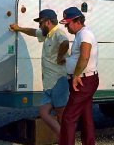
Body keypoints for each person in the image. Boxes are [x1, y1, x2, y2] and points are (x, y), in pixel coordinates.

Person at [48, 7, 99, 145]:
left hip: (83, 80)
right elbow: (79, 56)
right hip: (86, 79)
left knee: (69, 117)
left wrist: (76, 75)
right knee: (86, 117)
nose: (66, 27)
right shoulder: (81, 34)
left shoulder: (85, 34)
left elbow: (84, 56)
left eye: (68, 24)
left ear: (77, 21)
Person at [9, 9, 69, 137]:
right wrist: (18, 28)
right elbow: (33, 32)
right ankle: (64, 139)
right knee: (43, 112)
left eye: (40, 23)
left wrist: (60, 56)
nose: (39, 26)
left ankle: (65, 144)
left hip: (58, 81)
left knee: (61, 114)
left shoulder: (58, 33)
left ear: (47, 22)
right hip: (48, 83)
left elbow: (65, 43)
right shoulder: (47, 34)